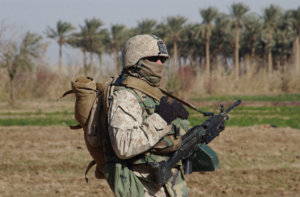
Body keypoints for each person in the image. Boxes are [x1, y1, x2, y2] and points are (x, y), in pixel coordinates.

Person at [102, 34, 190, 197]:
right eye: (154, 59)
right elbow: (123, 146)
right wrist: (161, 118)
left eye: (162, 60)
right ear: (137, 61)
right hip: (140, 186)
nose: (160, 64)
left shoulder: (150, 94)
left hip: (165, 185)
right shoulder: (125, 96)